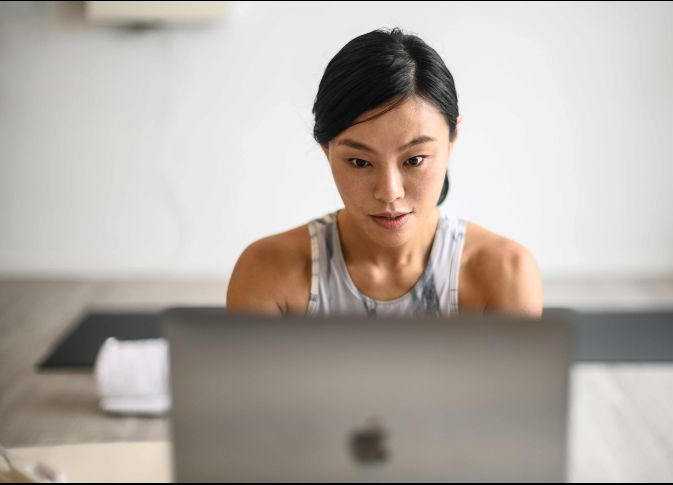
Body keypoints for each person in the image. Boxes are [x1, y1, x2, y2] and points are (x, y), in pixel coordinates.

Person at [227, 27, 542, 318]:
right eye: (361, 162)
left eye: (414, 160)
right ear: (327, 151)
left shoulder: (505, 274)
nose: (390, 191)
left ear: (452, 140)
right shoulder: (267, 274)